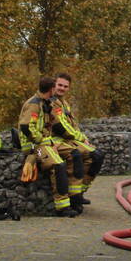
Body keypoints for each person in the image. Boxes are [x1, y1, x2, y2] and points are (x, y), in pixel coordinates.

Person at [18, 76, 77, 217]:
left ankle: (75, 198)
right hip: (34, 148)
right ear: (51, 89)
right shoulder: (34, 104)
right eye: (55, 88)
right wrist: (41, 140)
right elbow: (26, 126)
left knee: (74, 154)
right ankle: (62, 207)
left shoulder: (44, 103)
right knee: (58, 165)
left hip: (43, 144)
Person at [50, 72, 104, 212]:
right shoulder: (51, 102)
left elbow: (73, 125)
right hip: (57, 141)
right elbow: (60, 126)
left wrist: (83, 138)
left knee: (97, 156)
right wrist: (80, 138)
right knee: (76, 156)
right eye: (60, 85)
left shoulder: (64, 103)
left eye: (65, 86)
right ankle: (74, 197)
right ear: (54, 85)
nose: (62, 88)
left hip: (69, 139)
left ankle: (80, 192)